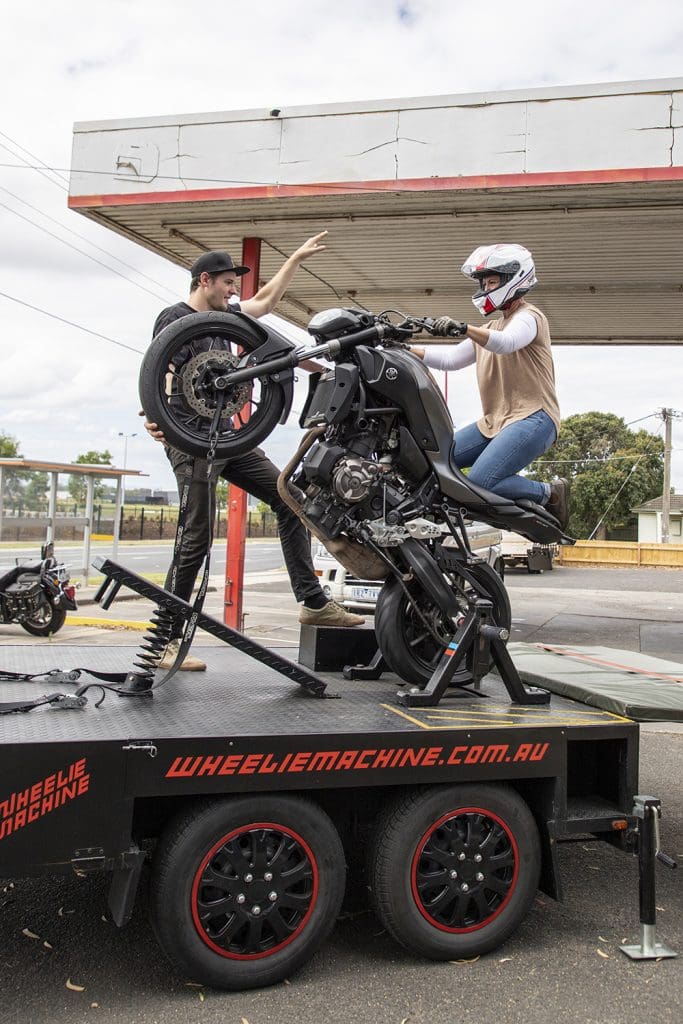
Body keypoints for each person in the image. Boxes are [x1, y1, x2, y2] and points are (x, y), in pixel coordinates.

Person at [145, 232, 363, 671]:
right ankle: (166, 639)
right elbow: (161, 370)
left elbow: (263, 302)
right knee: (196, 537)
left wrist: (296, 257)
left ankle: (313, 602)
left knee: (289, 499)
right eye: (227, 283)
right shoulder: (176, 317)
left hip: (228, 438)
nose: (233, 291)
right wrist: (159, 416)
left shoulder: (230, 319)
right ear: (205, 280)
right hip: (190, 440)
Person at [411, 242, 570, 529]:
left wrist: (463, 328)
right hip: (493, 422)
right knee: (430, 459)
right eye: (483, 282)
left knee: (481, 481)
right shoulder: (490, 329)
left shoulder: (530, 318)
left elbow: (506, 344)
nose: (485, 288)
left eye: (492, 281)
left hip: (534, 417)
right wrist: (407, 350)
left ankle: (549, 493)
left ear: (514, 279)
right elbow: (449, 359)